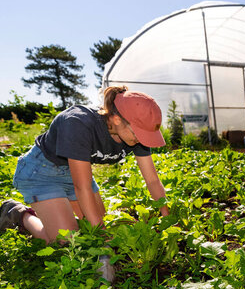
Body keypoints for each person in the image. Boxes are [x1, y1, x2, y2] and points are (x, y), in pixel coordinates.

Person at [1, 86, 168, 243]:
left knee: (94, 224)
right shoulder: (78, 124)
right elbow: (82, 187)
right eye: (138, 133)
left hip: (76, 172)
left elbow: (152, 180)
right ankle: (19, 214)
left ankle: (56, 214)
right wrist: (102, 234)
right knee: (67, 240)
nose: (141, 139)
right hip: (41, 173)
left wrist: (167, 219)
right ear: (116, 119)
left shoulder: (136, 136)